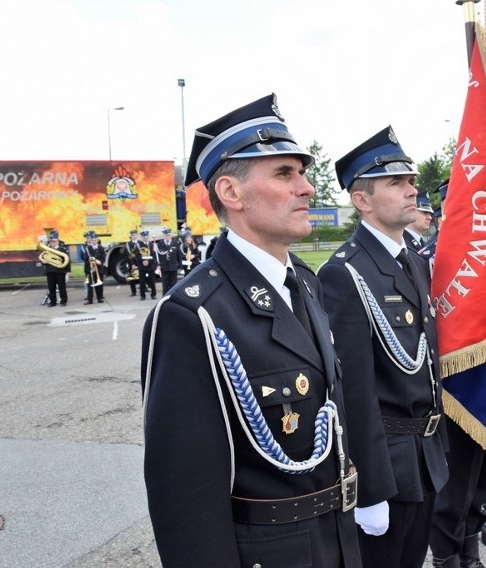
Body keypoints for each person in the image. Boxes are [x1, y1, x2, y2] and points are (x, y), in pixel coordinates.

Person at [141, 93, 361, 567]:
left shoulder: (304, 281)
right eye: (285, 174)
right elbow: (186, 498)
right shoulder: (191, 315)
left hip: (336, 542)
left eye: (302, 173)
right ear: (231, 193)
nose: (306, 187)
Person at [318, 126, 449, 568]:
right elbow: (352, 389)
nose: (413, 190)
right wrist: (370, 489)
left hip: (425, 459)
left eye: (410, 181)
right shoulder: (346, 272)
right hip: (389, 468)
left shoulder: (410, 260)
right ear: (362, 200)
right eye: (397, 183)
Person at [39, 230, 70, 307]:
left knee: (62, 287)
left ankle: (63, 301)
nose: (52, 243)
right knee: (51, 287)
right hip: (50, 271)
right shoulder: (47, 249)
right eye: (51, 241)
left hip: (60, 271)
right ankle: (53, 302)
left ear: (58, 241)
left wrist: (68, 272)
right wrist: (44, 262)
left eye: (54, 241)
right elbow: (43, 258)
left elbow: (67, 261)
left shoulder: (63, 249)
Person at [81, 230, 105, 304]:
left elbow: (103, 257)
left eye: (95, 240)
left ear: (97, 240)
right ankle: (90, 299)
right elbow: (85, 258)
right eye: (92, 240)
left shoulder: (101, 248)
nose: (94, 241)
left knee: (99, 284)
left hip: (99, 268)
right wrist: (91, 261)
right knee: (90, 284)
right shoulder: (87, 248)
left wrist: (99, 261)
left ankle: (99, 298)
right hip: (90, 269)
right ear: (91, 240)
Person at [154, 228, 179, 296]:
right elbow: (156, 256)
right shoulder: (159, 244)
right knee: (165, 285)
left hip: (173, 267)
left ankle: (173, 297)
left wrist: (180, 267)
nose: (167, 236)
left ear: (171, 235)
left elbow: (179, 255)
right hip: (164, 268)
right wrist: (157, 265)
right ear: (164, 236)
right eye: (166, 235)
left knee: (174, 285)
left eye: (168, 235)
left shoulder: (175, 243)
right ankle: (164, 298)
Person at [135, 230, 157, 300]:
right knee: (142, 282)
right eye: (144, 237)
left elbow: (154, 255)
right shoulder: (139, 245)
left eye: (147, 236)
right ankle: (142, 295)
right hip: (142, 266)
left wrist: (148, 261)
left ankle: (153, 294)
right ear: (142, 237)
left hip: (150, 266)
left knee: (152, 281)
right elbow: (137, 255)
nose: (146, 238)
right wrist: (143, 261)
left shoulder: (151, 244)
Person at [125, 229, 141, 297]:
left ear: (137, 235)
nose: (134, 236)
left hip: (140, 262)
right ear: (130, 236)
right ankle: (133, 292)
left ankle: (143, 289)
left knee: (142, 277)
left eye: (135, 235)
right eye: (132, 235)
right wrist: (132, 264)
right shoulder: (128, 244)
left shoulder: (140, 243)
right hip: (132, 263)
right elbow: (128, 255)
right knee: (132, 278)